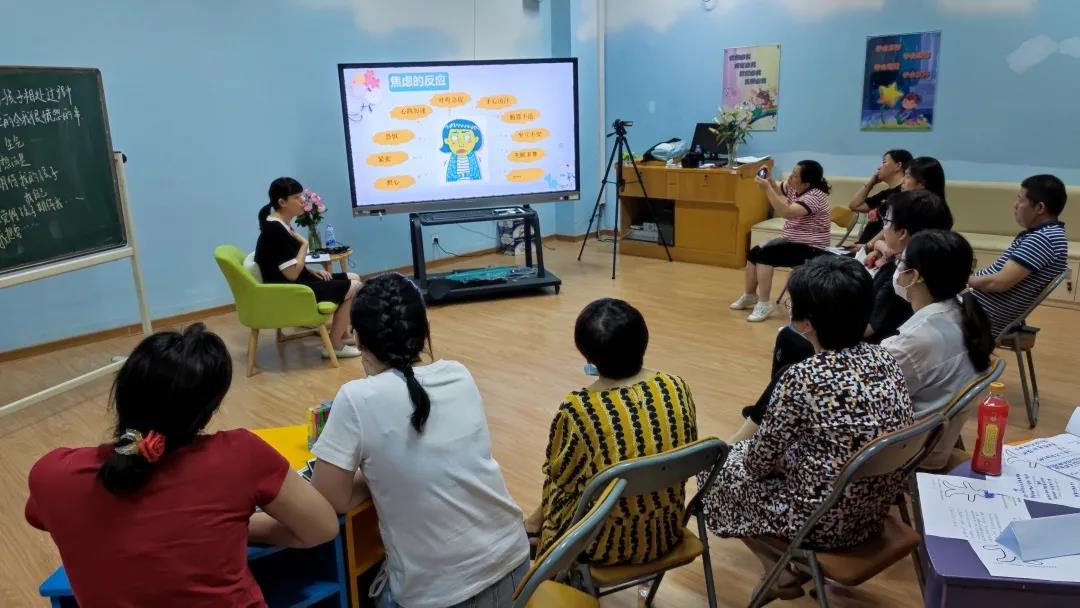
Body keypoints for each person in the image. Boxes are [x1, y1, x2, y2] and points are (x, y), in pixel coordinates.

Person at [26, 324, 339, 608]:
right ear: (208, 413)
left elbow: (43, 517)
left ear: (121, 397)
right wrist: (241, 526)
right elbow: (321, 528)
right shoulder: (240, 456)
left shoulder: (53, 475)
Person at [306, 273, 529, 608]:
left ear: (359, 339)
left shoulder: (356, 399)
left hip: (442, 596)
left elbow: (330, 498)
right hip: (516, 565)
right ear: (424, 329)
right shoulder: (459, 374)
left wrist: (374, 475)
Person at [700, 256, 913, 602]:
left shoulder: (802, 378)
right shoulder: (885, 358)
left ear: (805, 324)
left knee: (713, 469)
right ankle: (784, 566)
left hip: (823, 524)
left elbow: (756, 464)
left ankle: (778, 570)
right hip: (873, 509)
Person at [728, 189, 953, 444]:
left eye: (887, 222)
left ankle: (775, 412)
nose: (883, 228)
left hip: (861, 346)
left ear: (902, 233)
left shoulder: (901, 284)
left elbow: (868, 327)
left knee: (790, 344)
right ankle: (773, 410)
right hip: (885, 413)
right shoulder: (928, 282)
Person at [525, 298, 698, 565]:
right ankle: (535, 527)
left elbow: (562, 480)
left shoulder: (580, 409)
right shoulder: (675, 386)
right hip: (665, 531)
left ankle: (537, 536)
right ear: (644, 340)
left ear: (587, 356)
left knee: (560, 480)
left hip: (604, 544)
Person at [883, 230, 995, 469]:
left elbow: (868, 401)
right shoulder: (964, 314)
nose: (897, 268)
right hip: (934, 441)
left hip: (902, 454)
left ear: (914, 276)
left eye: (901, 261)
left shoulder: (913, 341)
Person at [256, 177, 363, 358]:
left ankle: (342, 335)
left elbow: (283, 264)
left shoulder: (280, 224)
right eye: (297, 197)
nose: (303, 201)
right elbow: (291, 275)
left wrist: (310, 271)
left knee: (354, 277)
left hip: (297, 281)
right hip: (291, 290)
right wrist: (304, 245)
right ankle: (334, 345)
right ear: (282, 202)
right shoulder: (275, 229)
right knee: (355, 286)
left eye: (302, 196)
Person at [731, 160, 832, 322]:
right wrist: (768, 179)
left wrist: (767, 189)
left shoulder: (815, 196)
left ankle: (764, 303)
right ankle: (750, 295)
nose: (790, 177)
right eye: (792, 172)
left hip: (811, 247)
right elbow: (778, 187)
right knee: (754, 252)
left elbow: (787, 212)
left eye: (795, 175)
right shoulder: (795, 186)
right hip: (792, 241)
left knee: (765, 255)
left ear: (806, 183)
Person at [969, 174, 1069, 337]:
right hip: (976, 308)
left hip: (979, 316)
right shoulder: (1046, 234)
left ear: (1039, 208)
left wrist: (960, 281)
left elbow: (998, 283)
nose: (1015, 205)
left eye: (1020, 200)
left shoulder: (1043, 238)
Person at [863, 156, 953, 268]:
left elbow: (899, 252)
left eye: (908, 176)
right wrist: (877, 249)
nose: (902, 181)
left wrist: (879, 247)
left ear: (922, 183)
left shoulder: (924, 213)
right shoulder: (908, 205)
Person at [849, 149, 913, 243]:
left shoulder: (903, 194)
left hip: (876, 248)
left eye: (884, 162)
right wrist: (871, 183)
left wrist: (868, 246)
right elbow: (854, 205)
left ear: (898, 166)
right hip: (864, 246)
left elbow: (892, 226)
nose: (879, 167)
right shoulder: (886, 193)